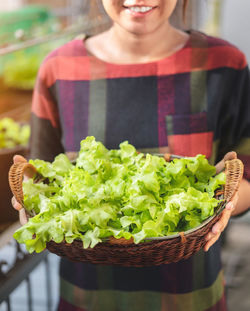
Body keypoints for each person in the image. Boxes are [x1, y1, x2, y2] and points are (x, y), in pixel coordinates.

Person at [12, 0, 250, 310]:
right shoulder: (58, 69)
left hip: (190, 295)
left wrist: (225, 203)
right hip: (88, 296)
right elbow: (42, 173)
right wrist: (30, 202)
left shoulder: (224, 63)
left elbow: (247, 170)